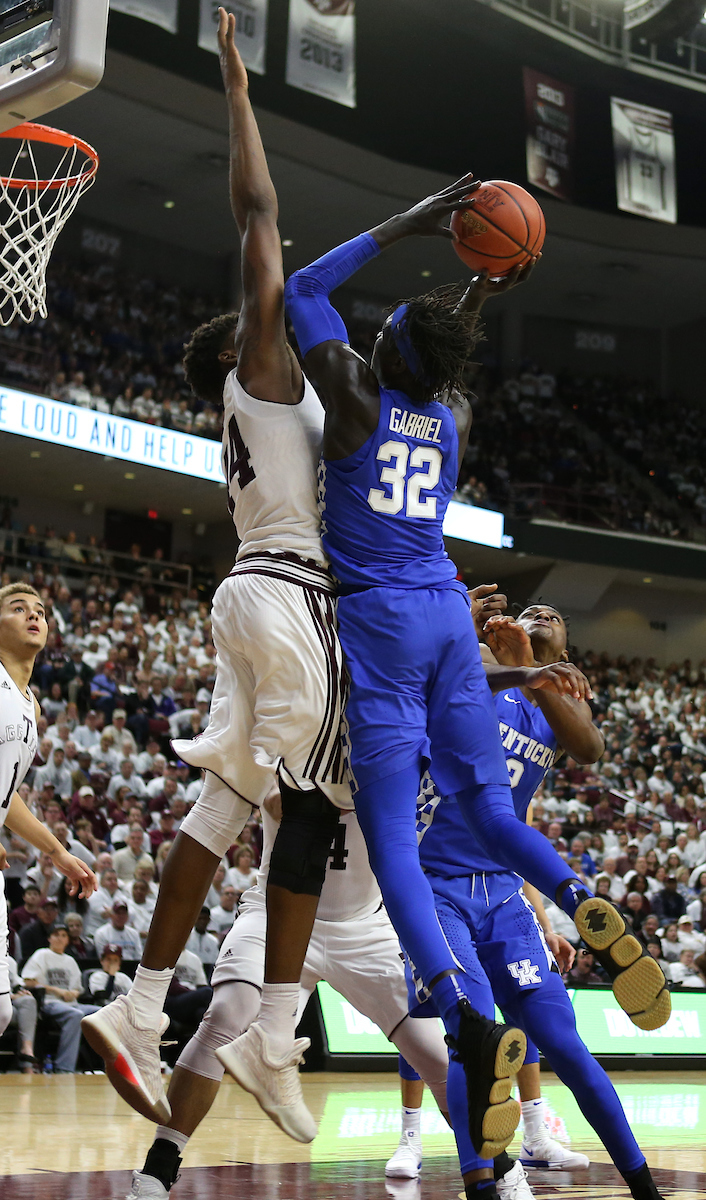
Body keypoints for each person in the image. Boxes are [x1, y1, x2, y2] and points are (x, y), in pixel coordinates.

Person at [278, 170, 669, 1142]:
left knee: (398, 844)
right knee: (491, 811)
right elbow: (429, 354)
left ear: (382, 354)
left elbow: (302, 293)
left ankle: (456, 1009)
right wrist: (477, 290)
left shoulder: (359, 405)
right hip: (445, 617)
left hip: (384, 618)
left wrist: (407, 222)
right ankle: (580, 899)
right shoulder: (443, 423)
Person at [82, 11, 349, 1134]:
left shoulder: (252, 413)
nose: (277, 305)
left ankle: (141, 1006)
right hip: (284, 596)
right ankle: (276, 1029)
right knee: (319, 801)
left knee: (225, 798)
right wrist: (237, 87)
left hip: (254, 592)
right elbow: (258, 212)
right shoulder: (264, 367)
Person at [397, 602, 667, 1200]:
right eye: (529, 609)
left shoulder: (559, 698)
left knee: (564, 1044)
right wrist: (490, 649)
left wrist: (543, 679)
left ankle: (643, 1185)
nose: (540, 610)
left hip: (504, 894)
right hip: (435, 884)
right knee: (473, 1037)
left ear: (566, 640)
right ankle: (479, 1187)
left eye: (553, 612)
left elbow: (590, 747)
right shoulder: (483, 665)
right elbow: (445, 674)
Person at [127, 796, 453, 1200]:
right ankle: (159, 1168)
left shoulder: (395, 739)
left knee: (439, 1057)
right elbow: (275, 802)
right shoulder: (292, 732)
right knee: (226, 1018)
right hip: (274, 908)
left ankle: (498, 1171)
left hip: (364, 926)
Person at [0, 582, 97, 1055]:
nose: (33, 616)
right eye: (18, 609)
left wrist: (57, 852)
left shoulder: (31, 704)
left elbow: (8, 797)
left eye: (39, 610)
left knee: (1, 1009)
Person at [21, 924, 99, 1072]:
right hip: (50, 1003)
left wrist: (73, 993)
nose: (60, 938)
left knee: (104, 1012)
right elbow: (28, 980)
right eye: (56, 935)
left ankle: (103, 1064)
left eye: (64, 935)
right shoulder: (41, 954)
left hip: (72, 1003)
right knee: (75, 1015)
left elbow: (78, 988)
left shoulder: (70, 960)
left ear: (68, 940)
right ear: (49, 938)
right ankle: (64, 1067)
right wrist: (57, 990)